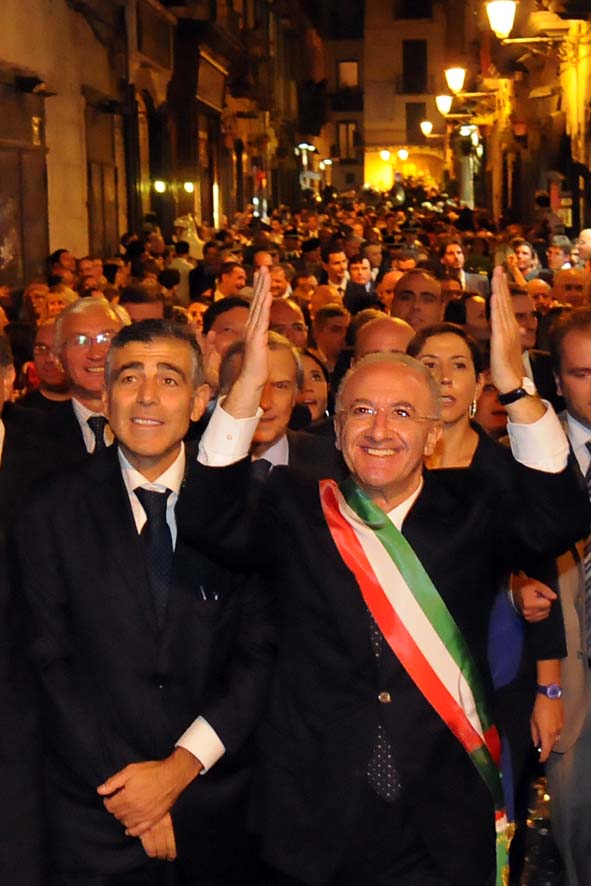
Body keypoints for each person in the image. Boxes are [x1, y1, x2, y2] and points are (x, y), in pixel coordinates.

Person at [177, 268, 590, 886]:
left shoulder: (472, 508)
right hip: (310, 819)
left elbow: (561, 517)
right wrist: (246, 390)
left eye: (402, 414)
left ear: (430, 436)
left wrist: (514, 385)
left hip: (440, 820)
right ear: (338, 432)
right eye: (362, 412)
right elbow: (205, 517)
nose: (379, 430)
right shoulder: (292, 507)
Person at [16, 320, 274, 885]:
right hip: (92, 816)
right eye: (130, 378)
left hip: (216, 813)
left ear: (202, 399)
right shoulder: (49, 510)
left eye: (170, 379)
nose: (148, 397)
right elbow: (47, 659)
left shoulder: (248, 510)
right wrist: (131, 791)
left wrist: (177, 773)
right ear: (105, 398)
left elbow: (260, 655)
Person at [546, 308, 591, 886]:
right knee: (576, 832)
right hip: (562, 684)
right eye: (582, 373)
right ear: (557, 381)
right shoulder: (523, 453)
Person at [18, 320, 71, 413]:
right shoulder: (18, 415)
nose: (50, 359)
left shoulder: (98, 411)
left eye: (59, 348)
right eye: (41, 349)